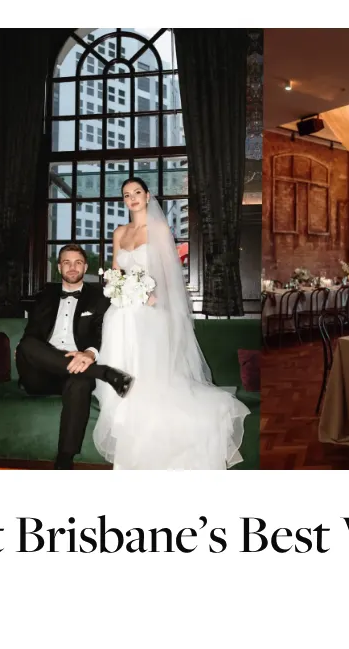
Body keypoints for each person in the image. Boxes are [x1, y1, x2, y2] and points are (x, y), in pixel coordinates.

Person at [92, 177, 247, 469]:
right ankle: (129, 453)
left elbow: (168, 272)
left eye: (137, 192)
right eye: (127, 195)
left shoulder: (160, 229)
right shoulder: (120, 232)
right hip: (121, 314)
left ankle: (155, 453)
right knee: (123, 379)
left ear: (147, 196)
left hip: (150, 314)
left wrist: (153, 297)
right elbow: (115, 270)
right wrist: (117, 287)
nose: (132, 198)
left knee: (150, 381)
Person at [18, 244, 134, 469]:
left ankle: (64, 460)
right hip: (41, 371)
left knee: (81, 382)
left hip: (79, 367)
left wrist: (90, 353)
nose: (72, 267)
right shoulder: (45, 295)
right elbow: (32, 334)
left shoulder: (99, 297)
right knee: (27, 345)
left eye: (78, 262)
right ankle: (104, 373)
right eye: (67, 262)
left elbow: (102, 331)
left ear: (86, 266)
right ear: (59, 267)